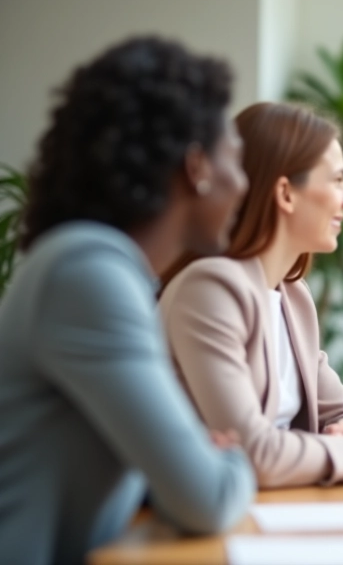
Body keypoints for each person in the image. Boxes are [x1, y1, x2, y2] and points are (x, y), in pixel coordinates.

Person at [0, 37, 255, 564]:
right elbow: (204, 497)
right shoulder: (87, 272)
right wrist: (232, 462)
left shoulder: (106, 270)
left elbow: (159, 477)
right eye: (236, 158)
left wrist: (194, 460)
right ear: (197, 167)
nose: (244, 182)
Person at [159, 102, 343, 489]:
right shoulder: (209, 290)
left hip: (279, 510)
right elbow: (251, 454)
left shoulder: (293, 298)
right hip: (204, 527)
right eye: (337, 180)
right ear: (286, 193)